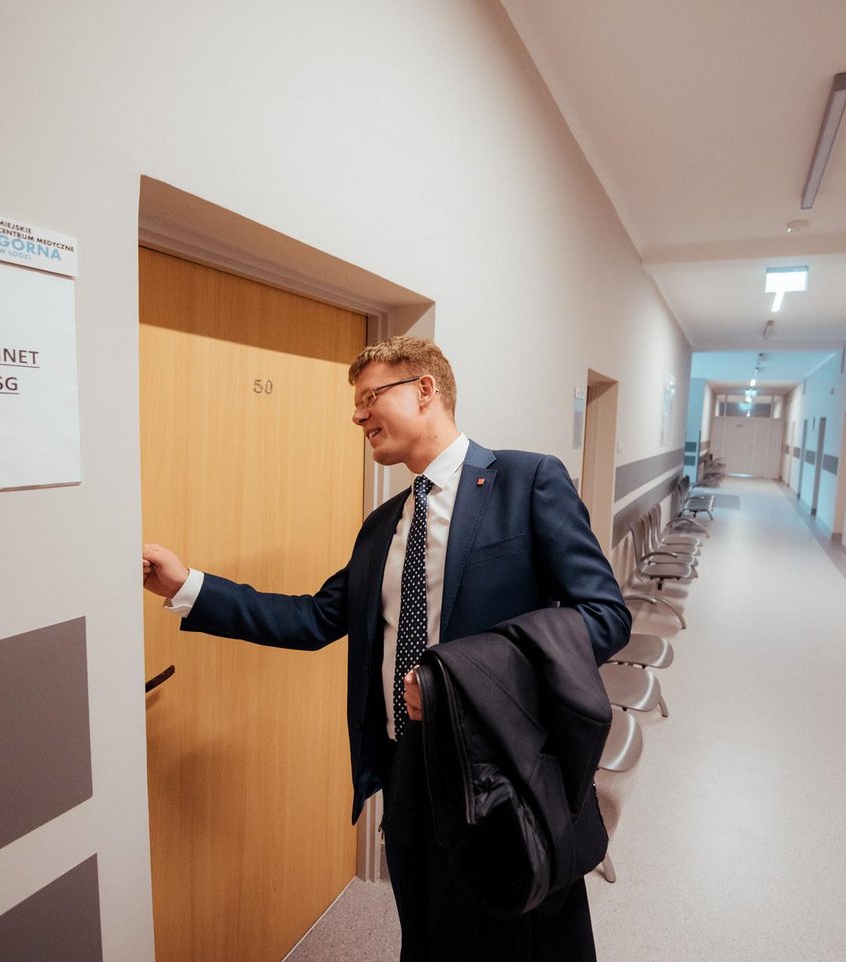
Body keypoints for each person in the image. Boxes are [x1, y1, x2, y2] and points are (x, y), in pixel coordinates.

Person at [141, 335, 630, 961]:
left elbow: (603, 616)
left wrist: (456, 682)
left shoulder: (527, 481)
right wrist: (187, 586)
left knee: (520, 940)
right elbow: (314, 618)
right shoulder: (384, 526)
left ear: (425, 390)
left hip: (504, 769)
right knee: (427, 934)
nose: (357, 415)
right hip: (408, 771)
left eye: (370, 397)